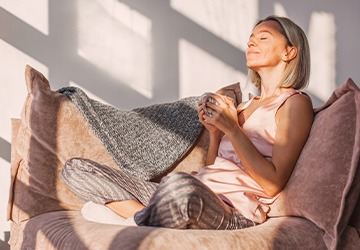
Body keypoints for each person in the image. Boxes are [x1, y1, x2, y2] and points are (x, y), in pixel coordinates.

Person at [62, 15, 314, 229]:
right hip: (196, 192)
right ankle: (145, 219)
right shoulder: (244, 105)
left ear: (289, 51)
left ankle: (135, 223)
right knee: (76, 169)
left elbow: (272, 184)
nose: (251, 41)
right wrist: (215, 134)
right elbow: (215, 167)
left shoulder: (294, 103)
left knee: (178, 184)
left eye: (263, 37)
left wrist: (233, 129)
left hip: (232, 210)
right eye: (251, 37)